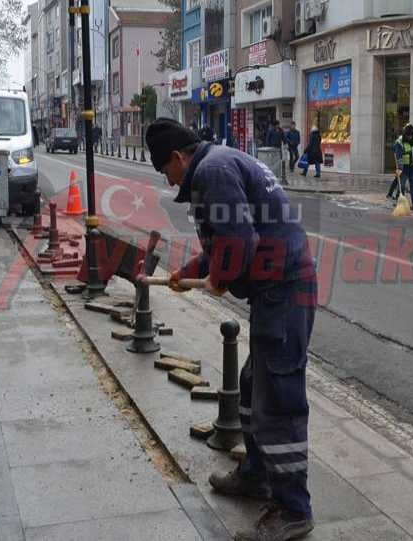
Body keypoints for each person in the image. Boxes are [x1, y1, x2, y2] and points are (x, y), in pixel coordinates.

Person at [145, 118, 316, 541]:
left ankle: (294, 508)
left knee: (277, 397)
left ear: (178, 157)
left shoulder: (212, 172)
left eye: (164, 169)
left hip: (285, 289)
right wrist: (187, 273)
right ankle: (258, 474)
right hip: (276, 289)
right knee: (252, 383)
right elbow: (225, 244)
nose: (166, 179)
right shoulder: (217, 164)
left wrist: (221, 278)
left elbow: (239, 245)